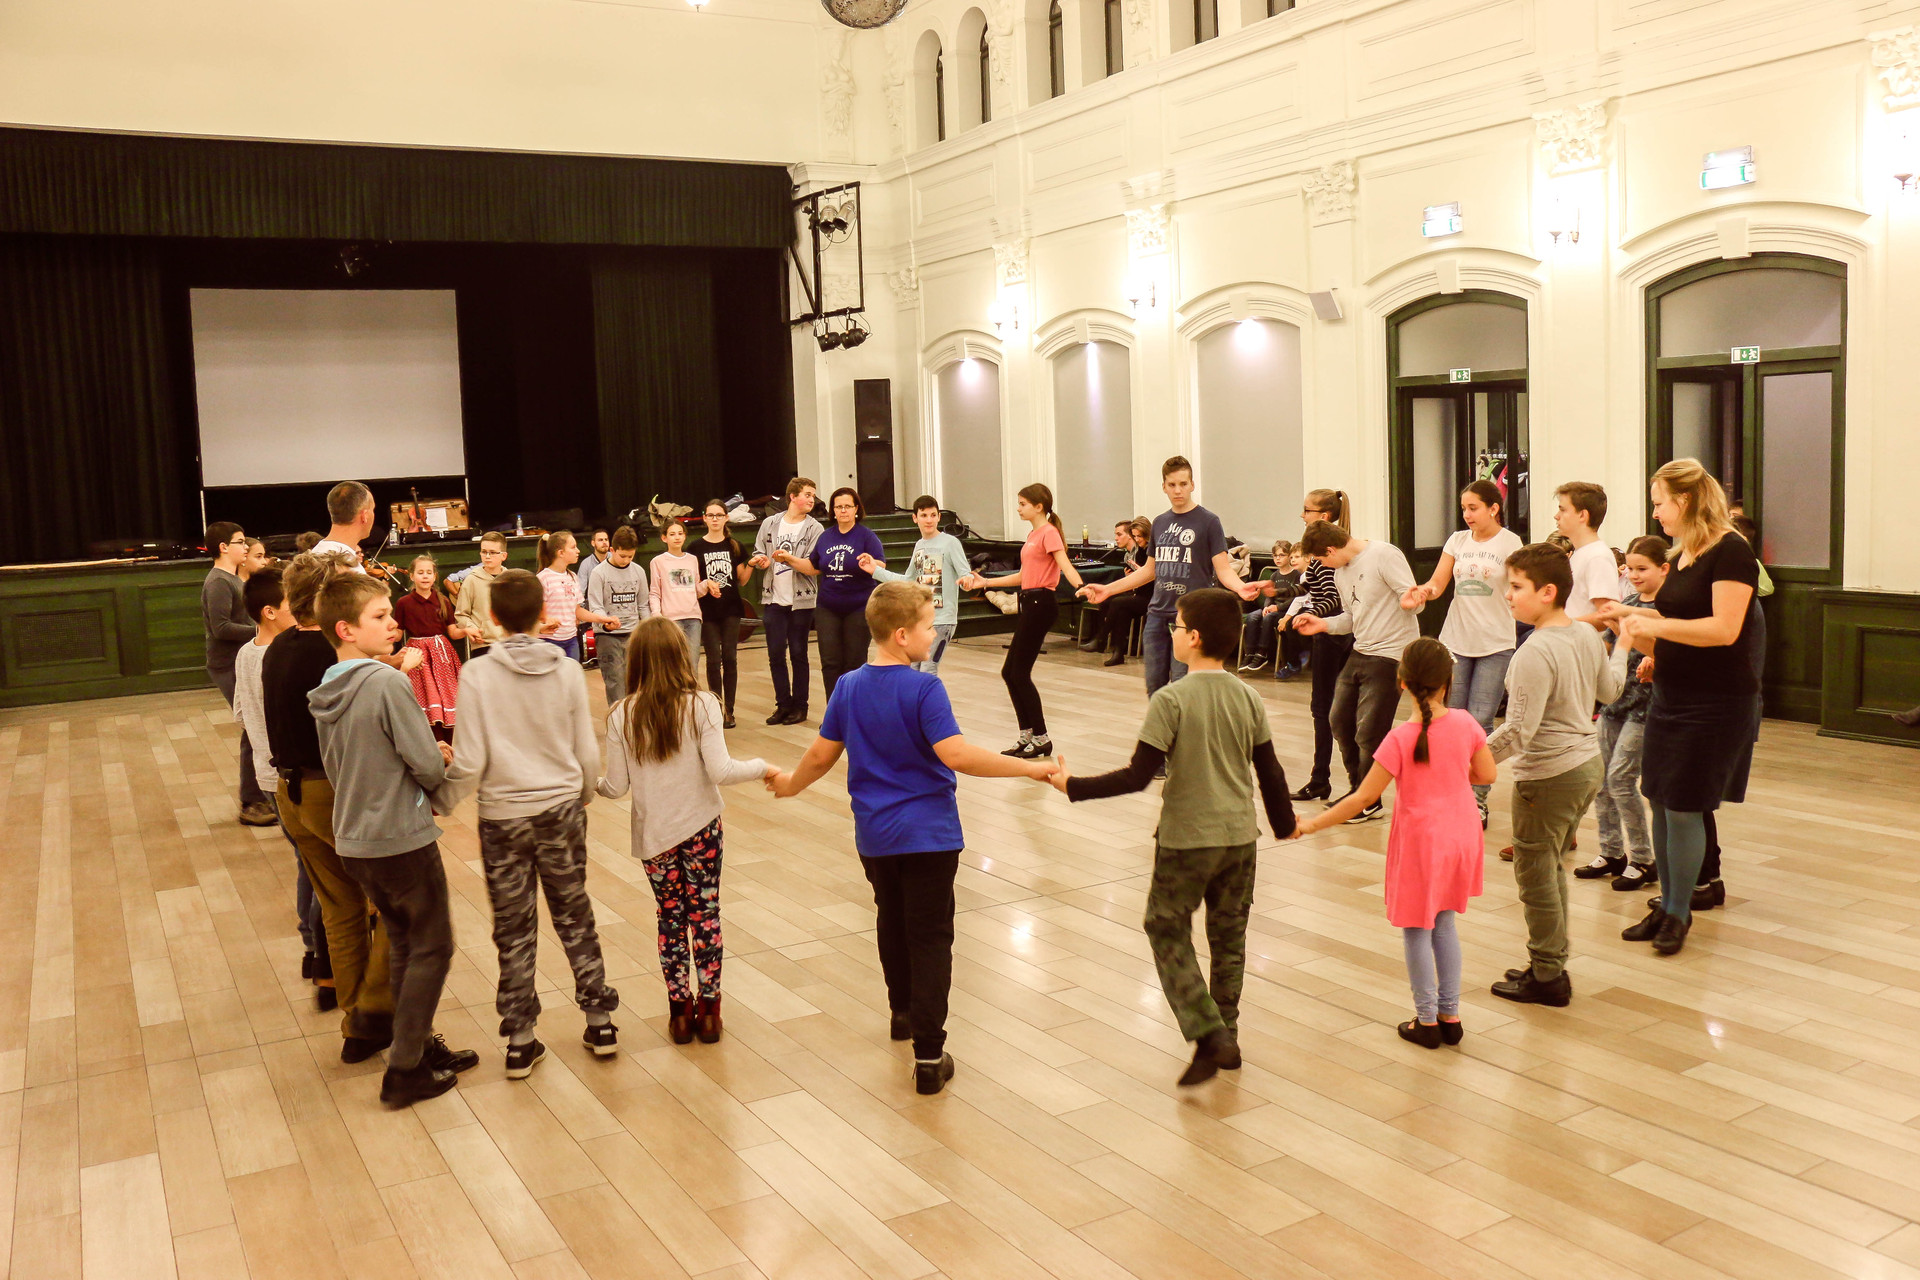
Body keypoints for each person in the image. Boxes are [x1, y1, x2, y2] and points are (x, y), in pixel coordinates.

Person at [768, 582, 1059, 1095]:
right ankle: (928, 1054)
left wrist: (791, 784)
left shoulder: (848, 687)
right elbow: (958, 756)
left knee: (892, 919)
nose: (934, 634)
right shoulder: (925, 689)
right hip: (930, 837)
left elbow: (820, 755)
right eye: (928, 626)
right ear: (902, 635)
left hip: (876, 836)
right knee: (930, 937)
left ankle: (901, 1012)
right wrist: (1030, 769)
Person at [1051, 588, 1297, 1085]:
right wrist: (1284, 823)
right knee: (1229, 940)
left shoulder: (1171, 698)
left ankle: (1207, 1031)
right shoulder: (1248, 696)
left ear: (1195, 638)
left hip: (1187, 838)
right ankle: (1227, 1037)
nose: (1172, 633)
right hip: (1239, 837)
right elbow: (1269, 770)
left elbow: (1138, 776)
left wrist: (1072, 785)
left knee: (1164, 926)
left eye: (1176, 626)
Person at [436, 569, 618, 1079]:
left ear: (493, 616)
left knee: (513, 927)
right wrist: (581, 795)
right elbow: (586, 751)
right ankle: (600, 1022)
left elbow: (470, 760)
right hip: (561, 810)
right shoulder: (567, 671)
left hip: (502, 817)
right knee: (575, 914)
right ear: (544, 614)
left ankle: (520, 1040)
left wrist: (441, 799)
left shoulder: (477, 674)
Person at [309, 574, 479, 1106]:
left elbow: (351, 762)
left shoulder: (331, 683)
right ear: (345, 629)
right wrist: (439, 757)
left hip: (356, 838)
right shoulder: (386, 682)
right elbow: (425, 763)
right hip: (400, 838)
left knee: (405, 942)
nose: (393, 625)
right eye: (380, 617)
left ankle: (418, 1047)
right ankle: (405, 1069)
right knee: (433, 946)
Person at [1295, 637, 1495, 1048]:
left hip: (1422, 843)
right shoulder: (1466, 723)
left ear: (1401, 682)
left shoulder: (1400, 739)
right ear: (1449, 682)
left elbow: (1363, 798)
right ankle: (1450, 1015)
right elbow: (1487, 775)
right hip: (1461, 836)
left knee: (1416, 928)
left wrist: (1313, 825)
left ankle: (1427, 1021)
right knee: (1444, 922)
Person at [1602, 459, 1761, 957]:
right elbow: (1674, 629)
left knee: (1686, 807)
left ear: (1685, 500)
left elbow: (1724, 630)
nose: (1655, 514)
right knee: (1659, 799)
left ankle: (1679, 912)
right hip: (1673, 692)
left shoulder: (1731, 551)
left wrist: (1651, 625)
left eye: (1659, 503)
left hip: (1716, 701)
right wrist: (1634, 627)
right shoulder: (1685, 552)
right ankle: (1666, 904)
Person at [599, 616, 773, 1046]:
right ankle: (710, 1013)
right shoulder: (703, 705)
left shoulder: (621, 715)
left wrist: (588, 784)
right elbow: (722, 770)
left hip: (654, 836)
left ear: (636, 661)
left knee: (670, 920)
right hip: (701, 830)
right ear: (681, 655)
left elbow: (615, 787)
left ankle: (679, 1014)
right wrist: (762, 767)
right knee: (705, 916)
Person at [264, 552, 395, 1064]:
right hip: (331, 793)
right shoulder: (329, 655)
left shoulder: (279, 647)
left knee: (341, 911)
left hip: (291, 793)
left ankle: (356, 1023)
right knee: (399, 907)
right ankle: (378, 1017)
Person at [1484, 544, 1629, 1005]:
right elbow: (1611, 690)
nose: (1509, 595)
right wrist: (1623, 646)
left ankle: (1548, 976)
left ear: (1547, 592)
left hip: (1549, 776)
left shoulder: (1534, 651)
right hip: (1586, 767)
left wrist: (1467, 761)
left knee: (1536, 875)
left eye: (1517, 587)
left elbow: (1517, 732)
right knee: (1549, 867)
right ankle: (1551, 961)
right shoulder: (1585, 634)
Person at [234, 566, 333, 1010]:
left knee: (306, 864)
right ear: (270, 612)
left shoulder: (247, 653)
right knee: (318, 869)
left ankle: (312, 948)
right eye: (292, 605)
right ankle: (317, 950)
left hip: (269, 772)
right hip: (288, 776)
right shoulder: (278, 655)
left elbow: (241, 714)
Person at [1077, 456, 1259, 696]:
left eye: (1183, 484)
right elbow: (1149, 571)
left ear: (1192, 484)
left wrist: (1240, 587)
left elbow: (1223, 569)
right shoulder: (1160, 523)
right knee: (1155, 689)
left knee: (1183, 688)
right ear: (1164, 487)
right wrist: (1108, 589)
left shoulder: (1209, 522)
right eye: (1172, 485)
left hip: (1189, 619)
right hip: (1156, 616)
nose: (1178, 490)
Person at [1401, 480, 1523, 827]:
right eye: (1464, 508)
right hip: (1456, 640)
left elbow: (1518, 585)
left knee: (1480, 721)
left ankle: (1476, 800)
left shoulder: (1511, 542)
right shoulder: (1457, 540)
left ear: (1493, 508)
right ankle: (1449, 793)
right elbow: (1438, 584)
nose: (1467, 514)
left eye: (1473, 508)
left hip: (1496, 642)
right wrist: (1423, 592)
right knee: (1450, 719)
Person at [1293, 520, 1424, 822]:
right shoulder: (1341, 572)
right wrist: (1323, 623)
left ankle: (1367, 798)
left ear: (1330, 550)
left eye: (1321, 559)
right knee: (1339, 720)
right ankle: (1362, 793)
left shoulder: (1384, 555)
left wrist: (1411, 603)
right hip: (1361, 649)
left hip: (1391, 654)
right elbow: (1351, 618)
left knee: (1370, 731)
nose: (1322, 566)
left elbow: (1414, 601)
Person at [960, 484, 1086, 760]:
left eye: (1022, 504)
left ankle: (1041, 738)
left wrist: (1081, 586)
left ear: (1039, 507)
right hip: (1029, 601)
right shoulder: (1033, 535)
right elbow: (1023, 576)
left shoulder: (1049, 533)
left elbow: (1065, 565)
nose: (1018, 508)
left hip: (1041, 603)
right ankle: (1027, 736)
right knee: (1010, 672)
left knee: (1019, 673)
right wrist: (985, 582)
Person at [1577, 536, 1667, 892]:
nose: (1634, 575)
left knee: (1620, 778)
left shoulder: (1668, 610)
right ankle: (1611, 851)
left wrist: (1634, 639)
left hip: (1646, 707)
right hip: (1615, 701)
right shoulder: (1626, 603)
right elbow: (1611, 643)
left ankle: (1643, 858)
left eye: (1642, 568)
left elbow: (1665, 649)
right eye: (1629, 568)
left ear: (1664, 569)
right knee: (1601, 778)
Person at [203, 520, 275, 826]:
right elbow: (220, 628)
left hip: (240, 661)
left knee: (255, 725)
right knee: (252, 726)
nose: (245, 547)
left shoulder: (232, 578)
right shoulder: (218, 582)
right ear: (223, 547)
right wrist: (261, 631)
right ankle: (251, 802)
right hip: (226, 664)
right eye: (240, 541)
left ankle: (260, 795)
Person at [1289, 490, 1354, 801]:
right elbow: (1308, 587)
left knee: (1326, 709)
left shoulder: (1330, 553)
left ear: (1324, 516)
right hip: (1326, 633)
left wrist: (1309, 615)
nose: (1302, 516)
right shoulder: (1320, 552)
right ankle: (1321, 778)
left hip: (1334, 636)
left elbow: (1331, 600)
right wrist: (1272, 589)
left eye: (1307, 510)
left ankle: (1326, 780)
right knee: (1325, 709)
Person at [864, 495, 971, 676]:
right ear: (915, 518)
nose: (929, 520)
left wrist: (967, 581)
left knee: (928, 668)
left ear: (939, 517)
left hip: (942, 620)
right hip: (922, 619)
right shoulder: (919, 546)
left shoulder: (950, 543)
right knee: (913, 668)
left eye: (933, 515)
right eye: (924, 515)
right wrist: (875, 570)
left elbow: (965, 573)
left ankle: (929, 696)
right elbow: (908, 580)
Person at [751, 478, 824, 725]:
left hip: (801, 601)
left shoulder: (814, 528)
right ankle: (782, 704)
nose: (812, 499)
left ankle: (800, 706)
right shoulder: (770, 523)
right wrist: (761, 560)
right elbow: (759, 552)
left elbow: (813, 564)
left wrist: (787, 558)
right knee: (775, 654)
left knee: (798, 653)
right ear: (792, 496)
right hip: (774, 599)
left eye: (813, 495)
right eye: (807, 494)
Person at [809, 488, 887, 702]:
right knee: (830, 661)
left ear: (856, 509)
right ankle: (834, 710)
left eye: (847, 506)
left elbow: (881, 565)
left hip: (858, 606)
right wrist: (788, 559)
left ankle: (854, 710)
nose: (843, 510)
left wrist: (871, 562)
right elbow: (813, 566)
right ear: (833, 511)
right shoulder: (825, 537)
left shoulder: (866, 536)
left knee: (854, 662)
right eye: (838, 507)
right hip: (828, 607)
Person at [692, 499, 755, 727]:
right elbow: (693, 581)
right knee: (713, 660)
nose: (715, 519)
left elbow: (742, 580)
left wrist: (751, 564)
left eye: (719, 515)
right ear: (705, 518)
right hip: (707, 610)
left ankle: (729, 710)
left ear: (726, 518)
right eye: (711, 515)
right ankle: (716, 708)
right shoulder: (695, 548)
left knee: (730, 658)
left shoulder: (735, 546)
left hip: (731, 609)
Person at [393, 554, 467, 744]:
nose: (425, 576)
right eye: (420, 572)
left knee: (447, 696)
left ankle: (451, 743)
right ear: (411, 576)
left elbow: (453, 632)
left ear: (434, 576)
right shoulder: (404, 603)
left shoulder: (443, 600)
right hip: (418, 655)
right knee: (425, 696)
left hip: (442, 655)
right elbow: (398, 634)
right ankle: (432, 741)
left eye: (428, 572)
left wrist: (467, 630)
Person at [586, 526, 648, 706]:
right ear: (612, 550)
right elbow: (596, 606)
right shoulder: (599, 573)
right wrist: (606, 622)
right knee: (615, 682)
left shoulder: (639, 571)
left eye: (630, 556)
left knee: (635, 683)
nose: (626, 560)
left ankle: (633, 719)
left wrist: (648, 629)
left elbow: (643, 605)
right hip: (607, 636)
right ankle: (618, 720)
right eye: (622, 556)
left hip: (633, 634)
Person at [1081, 518, 1151, 666]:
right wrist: (1133, 577)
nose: (1137, 539)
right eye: (1135, 536)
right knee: (1121, 610)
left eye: (1139, 536)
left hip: (1152, 596)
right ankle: (1118, 653)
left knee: (1117, 602)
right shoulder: (1139, 552)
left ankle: (1101, 638)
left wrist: (1140, 574)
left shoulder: (1152, 552)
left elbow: (1154, 577)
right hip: (1140, 594)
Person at [538, 530, 615, 662]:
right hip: (549, 641)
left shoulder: (572, 577)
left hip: (571, 640)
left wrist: (603, 619)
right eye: (573, 547)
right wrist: (547, 620)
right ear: (561, 553)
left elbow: (578, 611)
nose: (578, 551)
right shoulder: (543, 578)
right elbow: (539, 612)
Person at [1553, 481, 1620, 628]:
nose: (1556, 516)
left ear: (1582, 515)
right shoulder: (1581, 553)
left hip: (1583, 641)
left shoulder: (1597, 556)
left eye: (1563, 510)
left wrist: (1561, 626)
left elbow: (1608, 616)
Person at [1238, 539, 1305, 675]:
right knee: (1252, 617)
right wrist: (1266, 607)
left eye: (1282, 555)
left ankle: (1262, 654)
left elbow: (1296, 598)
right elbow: (1269, 596)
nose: (1278, 558)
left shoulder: (1297, 575)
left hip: (1285, 610)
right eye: (1275, 556)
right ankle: (1249, 654)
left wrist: (1277, 608)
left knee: (1268, 618)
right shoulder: (1274, 575)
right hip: (1272, 608)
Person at [649, 519, 706, 668]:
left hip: (693, 617)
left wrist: (707, 585)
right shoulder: (658, 561)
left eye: (680, 533)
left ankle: (691, 685)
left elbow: (696, 590)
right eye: (672, 534)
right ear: (664, 538)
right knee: (673, 664)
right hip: (671, 619)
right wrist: (657, 615)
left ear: (685, 536)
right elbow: (654, 592)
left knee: (692, 662)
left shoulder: (692, 559)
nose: (677, 537)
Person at [456, 532, 512, 657]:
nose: (487, 556)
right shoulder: (471, 580)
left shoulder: (511, 579)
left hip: (509, 643)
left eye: (492, 552)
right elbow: (461, 614)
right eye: (484, 552)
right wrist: (472, 629)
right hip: (483, 644)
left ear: (503, 556)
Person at [576, 527, 613, 602]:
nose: (604, 542)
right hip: (594, 603)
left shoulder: (615, 558)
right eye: (600, 540)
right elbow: (580, 591)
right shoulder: (586, 564)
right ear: (593, 543)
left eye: (606, 539)